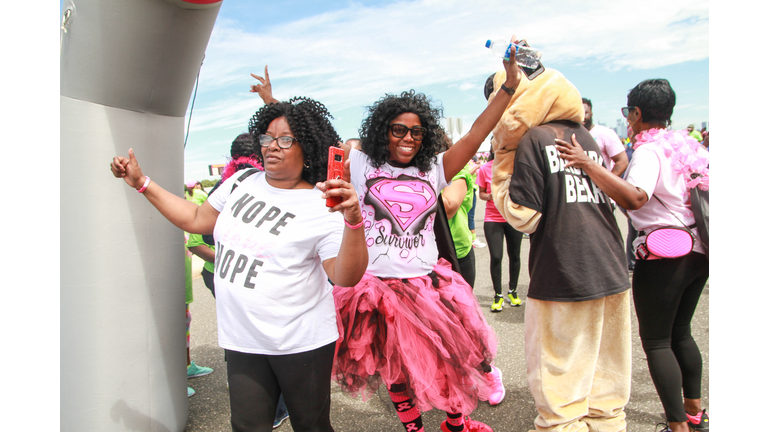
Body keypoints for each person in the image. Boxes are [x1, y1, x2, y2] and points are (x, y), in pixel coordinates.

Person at [111, 96, 368, 432]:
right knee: (247, 427)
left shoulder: (322, 206)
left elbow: (345, 276)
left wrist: (353, 220)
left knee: (312, 426)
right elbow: (195, 217)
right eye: (267, 137)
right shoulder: (241, 182)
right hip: (243, 339)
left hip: (299, 343)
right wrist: (143, 184)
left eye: (285, 139)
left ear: (308, 147)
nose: (272, 146)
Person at [330, 43, 521, 432]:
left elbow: (475, 133)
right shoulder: (362, 164)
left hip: (426, 285)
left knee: (449, 357)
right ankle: (414, 428)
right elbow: (312, 140)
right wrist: (272, 102)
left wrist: (509, 87)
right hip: (376, 289)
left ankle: (456, 423)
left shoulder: (435, 167)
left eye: (416, 132)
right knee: (394, 367)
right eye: (399, 129)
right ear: (383, 131)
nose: (408, 138)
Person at [556, 78, 710, 432]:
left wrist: (587, 164)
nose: (628, 119)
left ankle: (677, 427)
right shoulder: (691, 147)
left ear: (637, 113)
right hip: (700, 251)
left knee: (657, 342)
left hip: (664, 256)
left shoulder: (650, 150)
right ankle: (695, 415)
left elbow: (635, 197)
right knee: (682, 334)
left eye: (628, 112)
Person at [487, 63, 632, 431]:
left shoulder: (534, 138)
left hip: (565, 272)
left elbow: (525, 216)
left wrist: (502, 169)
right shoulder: (587, 137)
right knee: (604, 390)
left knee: (560, 389)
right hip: (611, 268)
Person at [476, 148, 523, 312]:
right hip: (492, 219)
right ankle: (498, 295)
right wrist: (489, 196)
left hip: (512, 218)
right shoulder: (484, 169)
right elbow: (480, 193)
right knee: (496, 256)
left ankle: (513, 291)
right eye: (499, 148)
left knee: (515, 255)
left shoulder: (515, 167)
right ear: (493, 150)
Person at [582, 98, 628, 177]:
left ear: (591, 114)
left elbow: (622, 161)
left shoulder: (605, 133)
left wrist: (607, 185)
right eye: (579, 113)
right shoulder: (571, 134)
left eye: (585, 113)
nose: (582, 117)